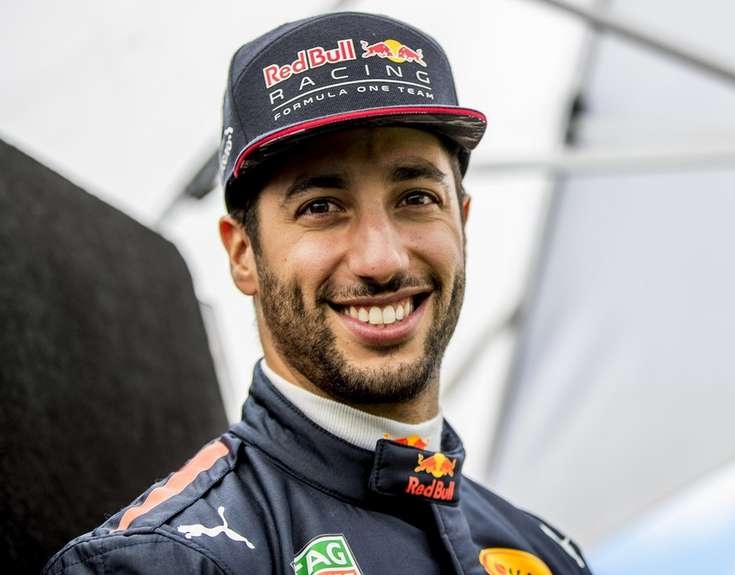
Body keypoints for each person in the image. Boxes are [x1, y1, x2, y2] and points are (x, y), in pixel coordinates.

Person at [43, 12, 591, 575]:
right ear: (242, 254)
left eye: (417, 198)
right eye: (321, 207)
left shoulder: (549, 554)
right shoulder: (165, 563)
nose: (382, 260)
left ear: (463, 224)